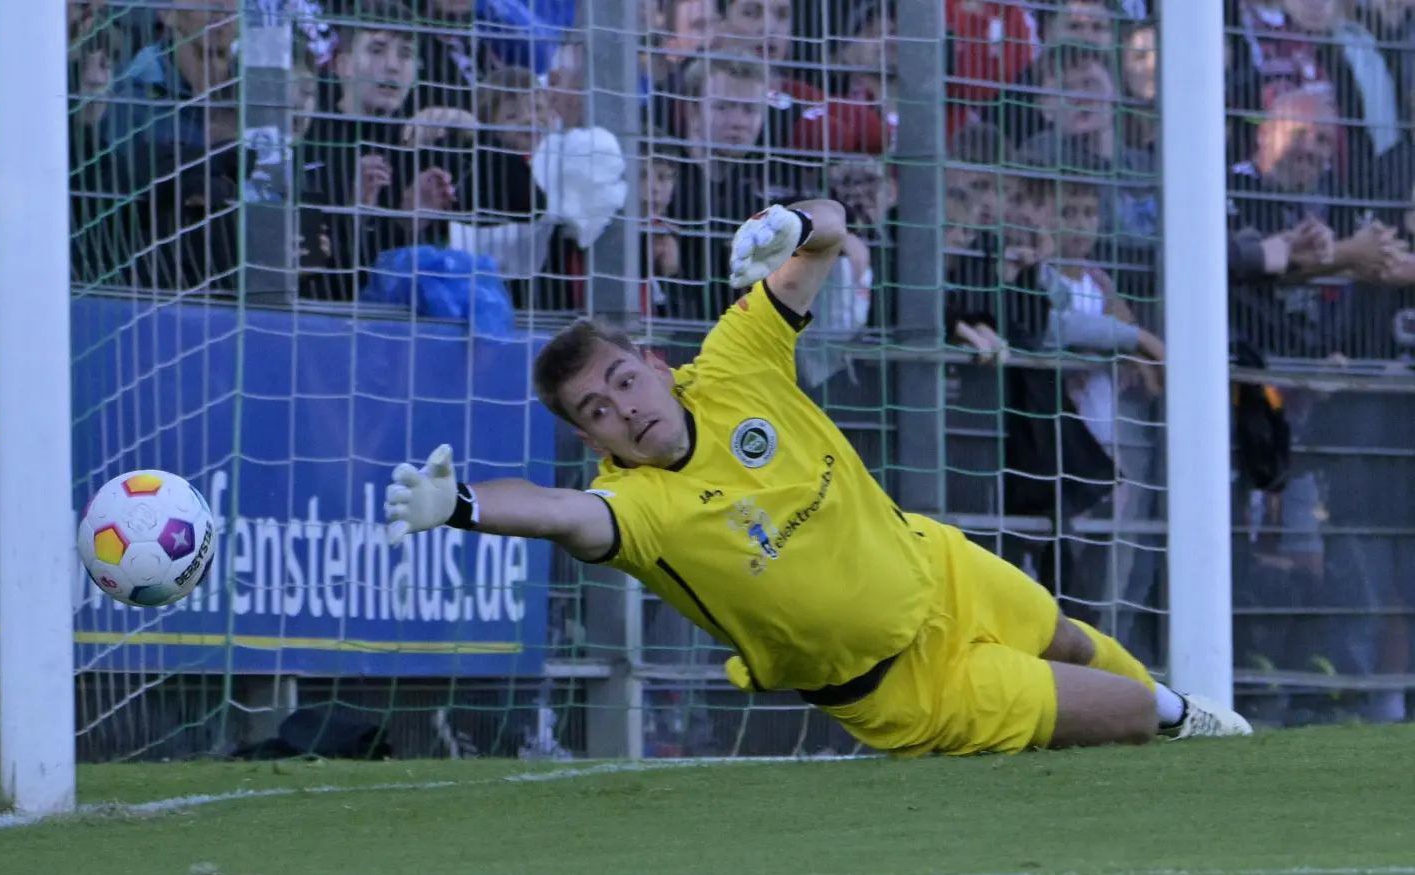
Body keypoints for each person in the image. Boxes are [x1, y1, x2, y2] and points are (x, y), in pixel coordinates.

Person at [382, 199, 1253, 757]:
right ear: (588, 438)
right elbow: (554, 513)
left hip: (933, 565)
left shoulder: (729, 363)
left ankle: (1181, 710)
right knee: (1131, 714)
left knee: (1062, 636)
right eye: (597, 412)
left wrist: (793, 224)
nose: (624, 409)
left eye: (622, 381)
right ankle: (1183, 718)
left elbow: (831, 235)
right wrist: (459, 507)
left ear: (652, 363)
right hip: (903, 688)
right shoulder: (635, 506)